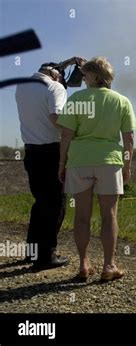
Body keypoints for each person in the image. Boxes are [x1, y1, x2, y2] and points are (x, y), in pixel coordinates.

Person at [57, 56, 136, 281]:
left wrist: (62, 164)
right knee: (109, 215)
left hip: (80, 161)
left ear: (94, 76)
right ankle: (108, 266)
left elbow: (66, 134)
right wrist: (127, 165)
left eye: (85, 75)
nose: (83, 79)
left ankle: (84, 265)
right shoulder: (122, 101)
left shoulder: (76, 99)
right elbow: (129, 137)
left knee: (82, 215)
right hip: (109, 163)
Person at [14, 62, 73, 270]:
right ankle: (46, 256)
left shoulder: (22, 85)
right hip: (52, 152)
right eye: (61, 75)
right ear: (54, 73)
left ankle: (32, 252)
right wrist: (73, 130)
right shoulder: (55, 87)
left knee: (40, 202)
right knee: (56, 204)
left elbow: (50, 69)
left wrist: (69, 62)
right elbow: (56, 116)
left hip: (31, 152)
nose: (62, 80)